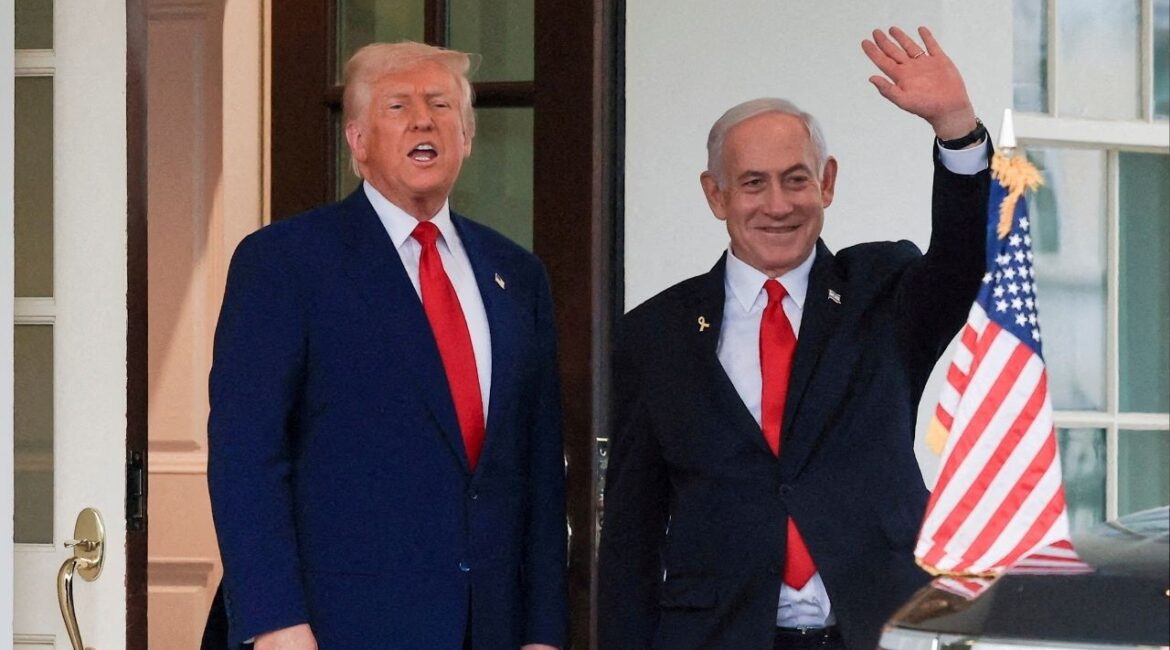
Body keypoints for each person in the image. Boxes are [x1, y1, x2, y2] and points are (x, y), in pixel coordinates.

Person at [597, 26, 991, 650]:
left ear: (827, 182)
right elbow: (631, 534)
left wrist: (956, 128)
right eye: (753, 183)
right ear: (716, 194)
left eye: (797, 179)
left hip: (873, 632)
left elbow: (963, 261)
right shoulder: (656, 334)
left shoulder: (882, 294)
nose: (778, 205)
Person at [206, 41, 566, 650]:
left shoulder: (516, 274)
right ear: (358, 141)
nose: (424, 120)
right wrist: (274, 622)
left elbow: (538, 469)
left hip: (491, 628)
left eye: (441, 105)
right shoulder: (285, 262)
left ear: (467, 137)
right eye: (398, 106)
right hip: (335, 626)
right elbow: (246, 456)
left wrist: (544, 632)